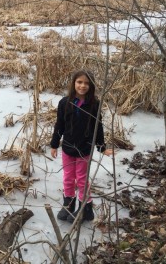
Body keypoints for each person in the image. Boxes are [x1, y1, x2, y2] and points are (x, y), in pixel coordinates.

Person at [50, 70, 113, 222]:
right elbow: (60, 125)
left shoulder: (94, 105)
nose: (82, 86)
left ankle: (86, 208)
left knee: (82, 179)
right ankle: (69, 204)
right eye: (79, 82)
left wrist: (101, 147)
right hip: (67, 147)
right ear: (73, 83)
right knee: (68, 177)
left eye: (86, 83)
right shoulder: (65, 102)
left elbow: (98, 127)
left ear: (91, 86)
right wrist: (54, 144)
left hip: (84, 148)